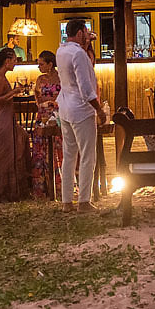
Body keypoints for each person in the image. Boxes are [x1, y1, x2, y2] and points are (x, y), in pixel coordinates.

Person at [56, 19, 106, 212]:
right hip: (81, 109)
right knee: (87, 156)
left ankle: (67, 201)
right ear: (79, 33)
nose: (88, 34)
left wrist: (87, 43)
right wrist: (99, 109)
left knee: (69, 155)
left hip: (65, 107)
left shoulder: (62, 50)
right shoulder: (78, 54)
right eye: (85, 32)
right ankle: (84, 201)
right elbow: (86, 88)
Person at [0, 48, 31, 203]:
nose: (16, 63)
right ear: (7, 61)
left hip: (6, 118)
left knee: (12, 149)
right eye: (14, 60)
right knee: (1, 154)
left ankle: (9, 189)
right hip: (0, 119)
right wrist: (14, 92)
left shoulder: (2, 77)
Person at [30, 49, 62, 198]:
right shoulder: (40, 79)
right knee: (40, 151)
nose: (39, 67)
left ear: (50, 64)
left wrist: (54, 104)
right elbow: (37, 98)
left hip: (57, 116)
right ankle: (42, 188)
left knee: (57, 148)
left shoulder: (61, 78)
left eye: (41, 64)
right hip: (43, 115)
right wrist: (44, 104)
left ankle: (59, 184)